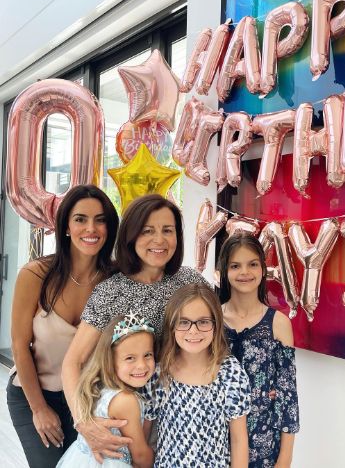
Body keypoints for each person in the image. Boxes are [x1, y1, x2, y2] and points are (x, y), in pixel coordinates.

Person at [62, 194, 208, 462]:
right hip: (129, 420)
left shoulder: (189, 281)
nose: (159, 240)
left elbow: (215, 329)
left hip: (182, 417)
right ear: (130, 236)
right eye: (147, 231)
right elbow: (73, 361)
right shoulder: (111, 291)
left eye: (168, 230)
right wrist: (84, 422)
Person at [7, 184, 119, 468]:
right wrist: (39, 409)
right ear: (66, 226)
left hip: (88, 399)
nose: (90, 228)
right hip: (34, 392)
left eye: (100, 219)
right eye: (80, 219)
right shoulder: (35, 274)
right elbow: (20, 346)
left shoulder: (117, 280)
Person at [143, 283, 251, 467]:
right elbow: (144, 435)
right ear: (172, 325)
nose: (193, 331)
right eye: (184, 322)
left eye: (203, 321)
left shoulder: (230, 372)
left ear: (216, 324)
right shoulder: (160, 373)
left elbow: (239, 440)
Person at [218, 233, 300, 468]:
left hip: (264, 443)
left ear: (263, 269)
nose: (245, 272)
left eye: (253, 264)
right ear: (225, 271)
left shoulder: (279, 323)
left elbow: (287, 394)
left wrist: (285, 458)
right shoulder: (211, 319)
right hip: (215, 439)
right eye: (235, 265)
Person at [57, 313, 155, 468]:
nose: (142, 365)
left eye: (148, 355)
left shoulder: (97, 386)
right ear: (110, 360)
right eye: (130, 358)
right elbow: (140, 455)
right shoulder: (125, 400)